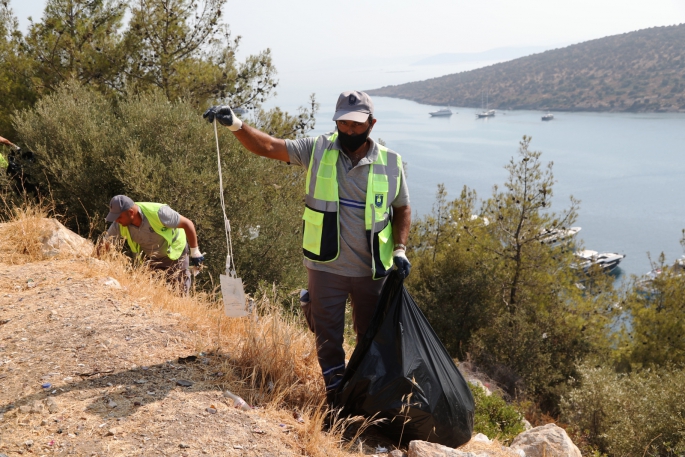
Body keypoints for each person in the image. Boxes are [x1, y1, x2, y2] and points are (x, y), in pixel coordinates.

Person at [203, 91, 411, 403]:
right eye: (343, 123)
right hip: (325, 265)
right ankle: (336, 396)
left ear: (372, 123)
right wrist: (236, 125)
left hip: (372, 270)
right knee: (328, 337)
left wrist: (400, 248)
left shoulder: (391, 162)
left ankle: (365, 393)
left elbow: (402, 208)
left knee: (371, 335)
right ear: (336, 121)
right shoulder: (317, 149)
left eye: (357, 125)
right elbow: (270, 146)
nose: (350, 131)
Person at [101, 195, 205, 294]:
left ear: (131, 213)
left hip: (176, 255)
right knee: (153, 294)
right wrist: (94, 262)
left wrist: (195, 252)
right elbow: (105, 243)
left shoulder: (159, 212)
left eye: (119, 217)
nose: (116, 221)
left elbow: (188, 224)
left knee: (180, 292)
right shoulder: (118, 224)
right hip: (152, 258)